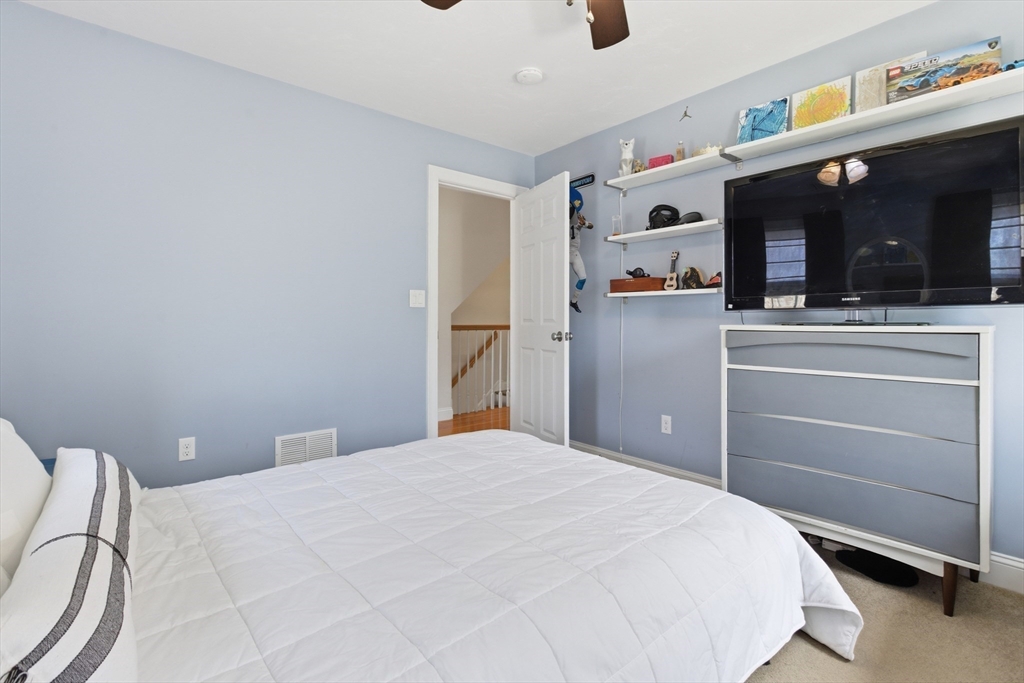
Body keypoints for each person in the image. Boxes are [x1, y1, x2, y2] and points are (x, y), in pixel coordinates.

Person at [569, 187, 593, 313]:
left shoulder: (578, 219)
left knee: (583, 278)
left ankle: (573, 301)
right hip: (562, 252)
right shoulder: (559, 220)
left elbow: (590, 225)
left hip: (574, 253)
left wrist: (583, 223)